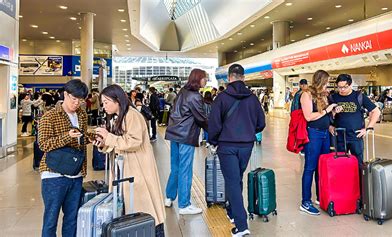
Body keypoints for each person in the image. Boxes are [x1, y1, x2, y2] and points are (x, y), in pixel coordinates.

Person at [94, 84, 166, 236]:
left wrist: (109, 137)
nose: (103, 106)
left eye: (106, 102)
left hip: (138, 171)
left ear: (117, 100)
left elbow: (133, 142)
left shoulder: (131, 115)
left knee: (146, 213)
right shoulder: (119, 116)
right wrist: (103, 143)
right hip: (126, 170)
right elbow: (117, 143)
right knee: (134, 214)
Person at [208, 64, 266, 237]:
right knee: (236, 179)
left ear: (229, 77)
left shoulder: (222, 98)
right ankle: (232, 211)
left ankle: (241, 227)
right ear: (243, 77)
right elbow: (261, 123)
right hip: (246, 145)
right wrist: (248, 131)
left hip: (226, 146)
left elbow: (214, 123)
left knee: (232, 182)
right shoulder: (253, 98)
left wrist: (213, 141)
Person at [38, 79, 89, 237]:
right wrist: (67, 136)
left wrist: (92, 138)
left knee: (72, 219)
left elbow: (81, 139)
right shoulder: (50, 117)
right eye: (74, 99)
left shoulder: (82, 115)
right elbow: (43, 144)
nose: (77, 103)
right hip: (54, 175)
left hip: (76, 173)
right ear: (65, 95)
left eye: (80, 101)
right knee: (51, 220)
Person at [164, 69, 208, 214]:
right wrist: (214, 131)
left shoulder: (183, 91)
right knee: (185, 169)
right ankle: (184, 204)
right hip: (186, 136)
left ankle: (169, 197)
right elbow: (201, 118)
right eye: (204, 78)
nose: (206, 81)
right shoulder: (195, 96)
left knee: (175, 167)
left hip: (174, 133)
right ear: (198, 79)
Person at [300, 70, 342, 216]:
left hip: (325, 134)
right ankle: (305, 201)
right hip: (313, 134)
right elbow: (308, 117)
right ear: (320, 81)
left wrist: (333, 111)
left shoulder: (324, 95)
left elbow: (326, 114)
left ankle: (320, 196)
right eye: (326, 82)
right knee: (310, 167)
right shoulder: (306, 95)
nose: (327, 85)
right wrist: (326, 111)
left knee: (322, 167)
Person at [329, 74, 381, 167]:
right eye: (339, 87)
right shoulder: (333, 97)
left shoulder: (359, 96)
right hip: (339, 136)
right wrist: (330, 125)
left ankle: (358, 181)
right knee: (340, 165)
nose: (342, 90)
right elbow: (327, 115)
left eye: (345, 87)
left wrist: (368, 128)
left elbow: (376, 111)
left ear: (350, 84)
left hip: (356, 136)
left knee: (358, 164)